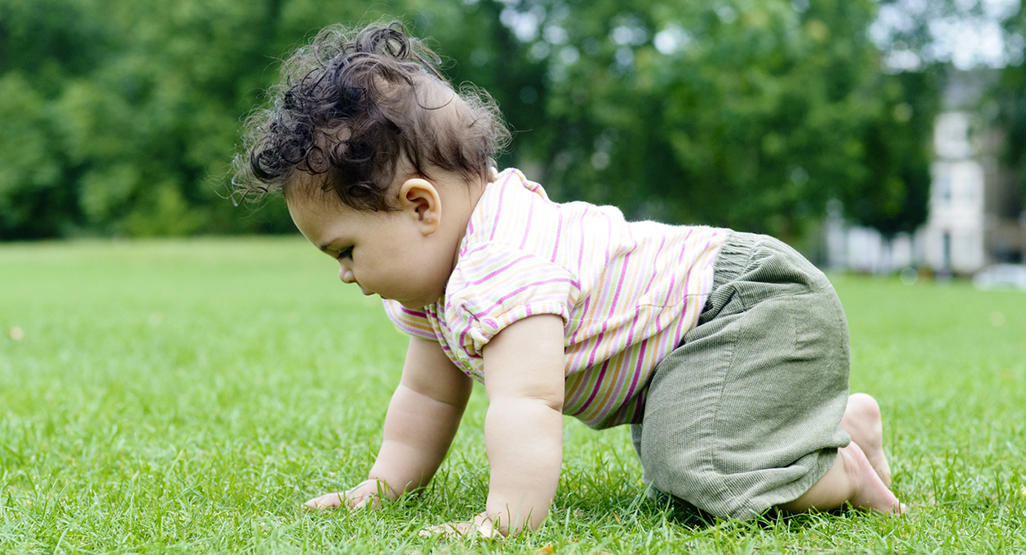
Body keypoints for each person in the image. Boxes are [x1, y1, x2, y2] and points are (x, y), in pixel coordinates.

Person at [231, 21, 903, 538]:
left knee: (696, 469)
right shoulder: (438, 284)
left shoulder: (502, 262)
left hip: (745, 304)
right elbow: (426, 401)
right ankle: (844, 423)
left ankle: (842, 471)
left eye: (345, 250)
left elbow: (528, 403)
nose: (346, 275)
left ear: (419, 206)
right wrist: (380, 486)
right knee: (679, 461)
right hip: (712, 326)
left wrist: (505, 518)